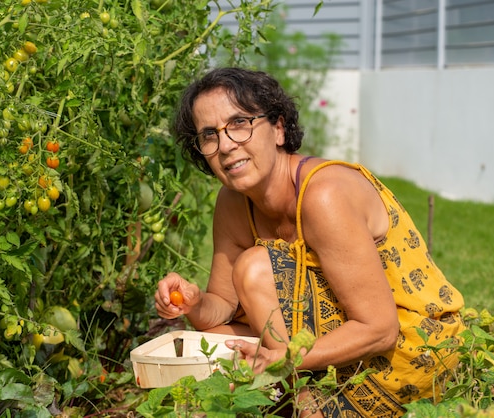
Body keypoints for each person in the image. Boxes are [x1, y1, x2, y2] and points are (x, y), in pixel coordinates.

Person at [154, 67, 466, 417]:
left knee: (255, 269)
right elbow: (222, 310)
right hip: (326, 349)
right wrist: (193, 304)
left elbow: (380, 329)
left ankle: (305, 405)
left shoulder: (324, 195)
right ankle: (298, 396)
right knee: (223, 336)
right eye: (209, 135)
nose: (226, 145)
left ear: (277, 128)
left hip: (414, 351)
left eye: (239, 123)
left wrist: (285, 360)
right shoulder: (233, 202)